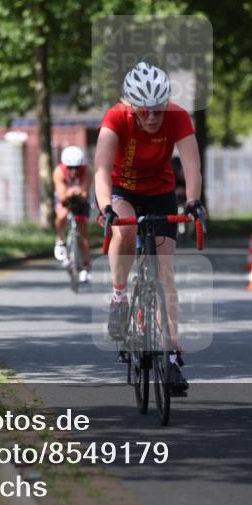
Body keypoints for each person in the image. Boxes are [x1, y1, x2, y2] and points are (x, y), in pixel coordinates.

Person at [95, 62, 205, 395]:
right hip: (121, 189)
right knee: (125, 231)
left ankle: (170, 356)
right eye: (145, 112)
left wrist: (194, 201)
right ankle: (119, 295)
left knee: (165, 274)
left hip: (159, 192)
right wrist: (105, 208)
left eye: (158, 110)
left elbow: (192, 163)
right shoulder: (115, 118)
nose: (153, 117)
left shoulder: (178, 117)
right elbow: (101, 167)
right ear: (131, 106)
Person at [52, 145, 92, 283]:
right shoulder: (58, 172)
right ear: (65, 166)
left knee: (83, 234)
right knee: (62, 216)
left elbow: (85, 194)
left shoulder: (87, 171)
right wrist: (71, 192)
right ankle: (60, 241)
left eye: (77, 168)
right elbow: (62, 196)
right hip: (66, 197)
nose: (74, 171)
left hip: (81, 200)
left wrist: (80, 193)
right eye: (70, 168)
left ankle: (86, 266)